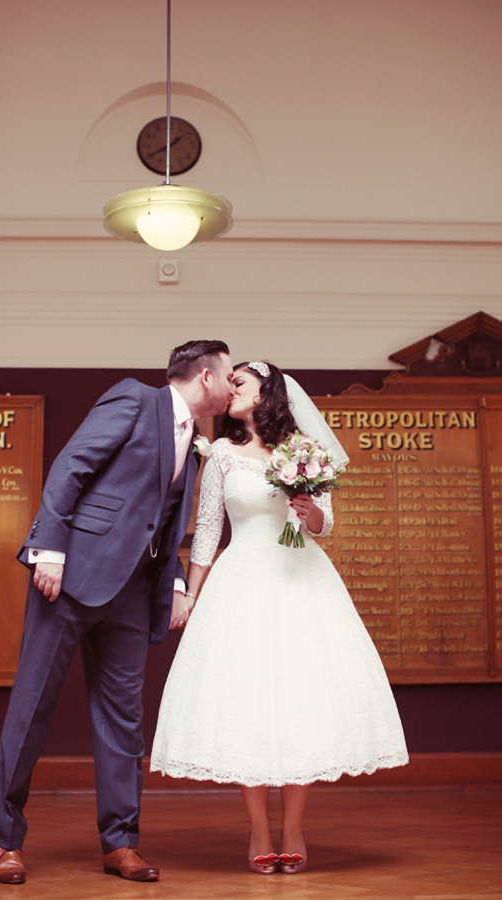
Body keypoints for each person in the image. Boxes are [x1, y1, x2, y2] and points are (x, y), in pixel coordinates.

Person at [0, 340, 234, 884]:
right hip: (71, 580)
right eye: (228, 372)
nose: (233, 383)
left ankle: (120, 843)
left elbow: (164, 522)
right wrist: (49, 548)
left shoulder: (198, 439)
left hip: (132, 593)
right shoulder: (134, 399)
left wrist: (170, 581)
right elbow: (70, 466)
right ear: (205, 377)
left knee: (124, 721)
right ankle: (5, 841)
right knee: (32, 709)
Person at [151, 361, 408, 875]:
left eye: (239, 383)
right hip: (241, 579)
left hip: (300, 579)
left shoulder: (302, 451)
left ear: (267, 393)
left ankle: (293, 828)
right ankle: (260, 830)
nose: (229, 391)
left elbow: (322, 525)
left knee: (301, 699)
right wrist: (190, 595)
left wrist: (306, 504)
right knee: (248, 699)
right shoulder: (220, 453)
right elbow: (206, 530)